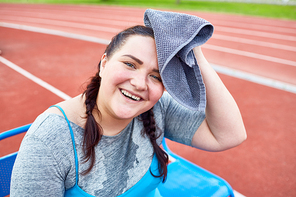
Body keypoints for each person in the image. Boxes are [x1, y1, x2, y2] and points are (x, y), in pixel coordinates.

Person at [11, 24, 246, 196]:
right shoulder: (50, 139)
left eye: (155, 76)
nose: (140, 83)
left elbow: (230, 134)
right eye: (130, 64)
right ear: (104, 63)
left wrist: (196, 56)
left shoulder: (156, 109)